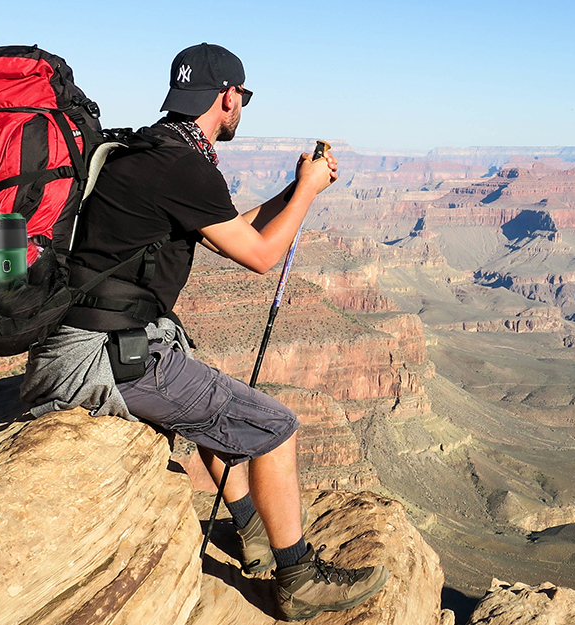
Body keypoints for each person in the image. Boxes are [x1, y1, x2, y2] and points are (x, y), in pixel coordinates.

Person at [20, 43, 388, 622]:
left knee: (211, 396)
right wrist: (310, 195)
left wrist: (296, 189)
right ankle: (295, 579)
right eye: (242, 96)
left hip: (82, 339)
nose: (241, 105)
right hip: (102, 358)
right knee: (274, 427)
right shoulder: (182, 165)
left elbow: (229, 228)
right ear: (227, 96)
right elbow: (262, 255)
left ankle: (251, 535)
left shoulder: (151, 148)